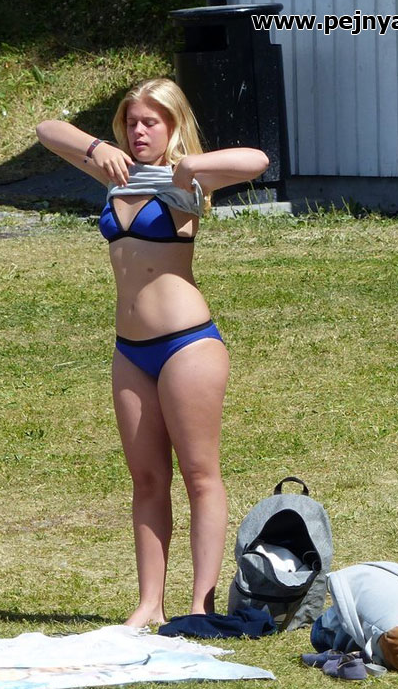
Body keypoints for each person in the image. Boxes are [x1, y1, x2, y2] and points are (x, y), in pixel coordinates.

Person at [36, 78, 269, 627]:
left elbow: (258, 160)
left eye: (151, 122)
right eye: (131, 122)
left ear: (172, 125)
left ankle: (200, 604)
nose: (138, 131)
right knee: (146, 479)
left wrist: (190, 165)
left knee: (199, 474)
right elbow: (47, 130)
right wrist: (97, 148)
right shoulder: (116, 173)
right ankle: (148, 605)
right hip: (130, 350)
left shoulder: (186, 178)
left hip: (187, 344)